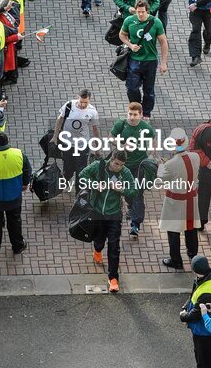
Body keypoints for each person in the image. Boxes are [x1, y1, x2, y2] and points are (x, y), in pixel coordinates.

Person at [78, 148, 137, 293]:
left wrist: (121, 189)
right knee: (99, 239)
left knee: (114, 245)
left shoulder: (125, 173)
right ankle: (97, 250)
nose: (118, 167)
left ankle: (113, 278)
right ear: (111, 160)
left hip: (114, 214)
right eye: (116, 164)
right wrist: (94, 184)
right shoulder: (99, 165)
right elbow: (82, 175)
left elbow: (133, 191)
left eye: (121, 165)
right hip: (98, 212)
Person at [0, 131, 31, 256]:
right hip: (14, 196)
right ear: (7, 141)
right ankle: (18, 245)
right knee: (15, 221)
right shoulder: (19, 154)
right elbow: (27, 171)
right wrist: (25, 184)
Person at [109, 102, 155, 237]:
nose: (132, 117)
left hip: (139, 166)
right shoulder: (121, 124)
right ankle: (130, 207)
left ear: (140, 115)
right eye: (130, 114)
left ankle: (136, 224)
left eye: (135, 115)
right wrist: (122, 144)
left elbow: (152, 142)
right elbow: (111, 138)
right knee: (127, 193)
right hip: (123, 166)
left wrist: (152, 155)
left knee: (137, 193)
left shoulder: (146, 128)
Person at [159, 128, 201, 270]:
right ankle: (193, 255)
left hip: (175, 202)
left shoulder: (170, 164)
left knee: (173, 231)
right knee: (191, 229)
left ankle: (176, 260)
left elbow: (160, 178)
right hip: (191, 199)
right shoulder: (195, 157)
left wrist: (161, 165)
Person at [119, 0, 168, 118]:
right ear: (135, 11)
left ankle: (146, 113)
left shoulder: (156, 22)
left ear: (148, 11)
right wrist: (130, 45)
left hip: (150, 61)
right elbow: (122, 34)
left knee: (149, 90)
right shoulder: (129, 21)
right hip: (134, 60)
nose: (140, 14)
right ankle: (136, 109)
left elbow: (163, 42)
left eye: (143, 12)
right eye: (138, 12)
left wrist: (163, 63)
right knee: (132, 88)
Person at [50, 89, 100, 187]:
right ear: (77, 97)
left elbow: (95, 129)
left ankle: (79, 192)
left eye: (86, 102)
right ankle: (67, 179)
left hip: (82, 145)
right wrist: (55, 137)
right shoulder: (69, 105)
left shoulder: (92, 111)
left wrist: (97, 148)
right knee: (68, 167)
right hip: (67, 144)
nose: (83, 104)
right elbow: (60, 119)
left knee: (81, 170)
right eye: (81, 102)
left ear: (90, 99)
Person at [189, 107, 211, 229]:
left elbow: (194, 149)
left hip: (206, 170)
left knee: (203, 197)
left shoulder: (201, 130)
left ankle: (201, 223)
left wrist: (207, 162)